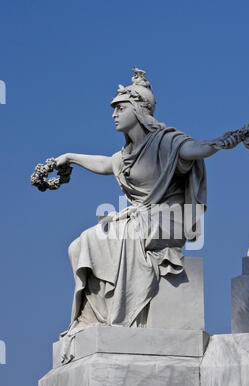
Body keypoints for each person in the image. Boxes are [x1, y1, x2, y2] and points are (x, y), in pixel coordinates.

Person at [55, 67, 239, 362]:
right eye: (113, 109)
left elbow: (193, 149)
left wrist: (217, 143)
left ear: (139, 110)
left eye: (120, 107)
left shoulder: (166, 141)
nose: (114, 114)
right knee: (79, 244)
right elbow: (105, 163)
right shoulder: (126, 154)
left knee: (120, 233)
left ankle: (119, 313)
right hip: (143, 217)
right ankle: (95, 315)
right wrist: (69, 157)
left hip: (171, 217)